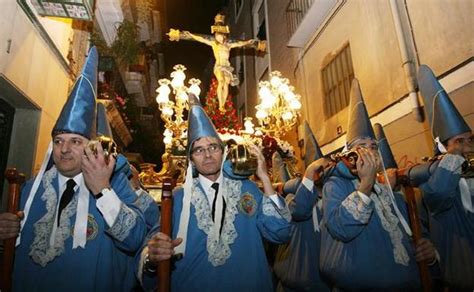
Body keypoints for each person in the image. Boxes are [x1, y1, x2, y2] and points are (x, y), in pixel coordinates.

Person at [0, 47, 147, 291]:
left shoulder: (114, 184)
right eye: (59, 141)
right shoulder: (28, 190)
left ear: (90, 147)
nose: (64, 149)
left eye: (75, 141)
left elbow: (135, 240)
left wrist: (103, 190)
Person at [137, 94, 292, 291]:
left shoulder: (247, 189)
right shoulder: (177, 198)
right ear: (191, 159)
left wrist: (265, 177)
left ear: (224, 151)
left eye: (213, 147)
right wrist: (151, 257)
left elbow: (281, 232)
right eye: (199, 150)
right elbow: (151, 256)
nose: (208, 155)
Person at [319, 79, 437, 291]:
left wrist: (430, 254)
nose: (369, 151)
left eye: (373, 146)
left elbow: (413, 237)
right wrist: (365, 184)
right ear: (349, 154)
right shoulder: (335, 186)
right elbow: (340, 229)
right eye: (361, 146)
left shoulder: (391, 192)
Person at [417, 64, 474, 290]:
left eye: (469, 140)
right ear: (443, 148)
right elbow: (438, 195)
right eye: (458, 141)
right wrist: (454, 158)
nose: (467, 147)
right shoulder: (431, 183)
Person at [273, 121, 331, 292]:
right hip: (294, 282)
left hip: (324, 284)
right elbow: (299, 211)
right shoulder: (292, 198)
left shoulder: (332, 197)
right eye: (317, 171)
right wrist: (309, 179)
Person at [170, 13, 260, 112]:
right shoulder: (214, 44)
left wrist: (248, 42)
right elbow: (202, 39)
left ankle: (222, 104)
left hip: (227, 67)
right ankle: (221, 105)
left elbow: (239, 43)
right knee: (221, 81)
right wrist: (191, 35)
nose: (217, 37)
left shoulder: (228, 45)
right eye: (216, 36)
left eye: (219, 36)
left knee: (226, 84)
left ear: (223, 36)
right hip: (218, 66)